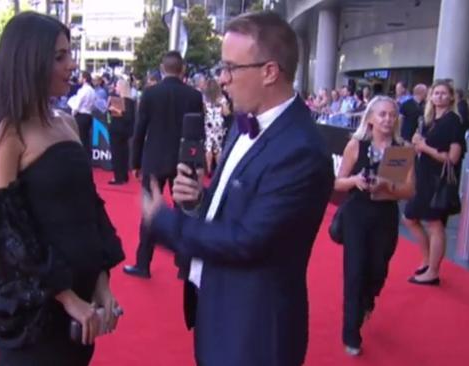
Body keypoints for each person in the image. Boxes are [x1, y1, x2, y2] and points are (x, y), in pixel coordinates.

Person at [141, 11, 334, 365]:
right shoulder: (243, 122)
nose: (223, 79)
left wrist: (163, 221)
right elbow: (239, 204)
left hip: (253, 330)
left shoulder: (302, 151)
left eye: (231, 68)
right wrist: (201, 201)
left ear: (269, 71)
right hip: (215, 303)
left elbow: (249, 240)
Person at [0, 12, 124, 365]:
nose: (71, 65)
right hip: (39, 318)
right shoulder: (6, 133)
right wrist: (67, 298)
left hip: (84, 311)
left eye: (69, 54)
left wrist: (101, 283)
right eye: (60, 57)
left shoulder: (68, 122)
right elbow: (5, 235)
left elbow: (90, 209)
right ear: (30, 60)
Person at [334, 96, 415, 356]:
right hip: (357, 213)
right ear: (370, 118)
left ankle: (368, 300)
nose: (387, 119)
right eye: (382, 114)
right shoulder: (357, 145)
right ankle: (351, 332)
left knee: (377, 269)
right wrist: (355, 181)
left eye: (392, 115)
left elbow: (407, 191)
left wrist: (385, 185)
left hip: (384, 215)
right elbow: (336, 183)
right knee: (354, 271)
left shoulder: (399, 149)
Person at [123, 51, 204, 279]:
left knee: (151, 211)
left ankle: (143, 263)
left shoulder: (150, 94)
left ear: (162, 68)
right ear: (182, 69)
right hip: (184, 161)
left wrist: (135, 162)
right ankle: (185, 266)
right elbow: (198, 135)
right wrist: (198, 165)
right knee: (186, 212)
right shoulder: (194, 96)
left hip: (154, 159)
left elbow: (139, 131)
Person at [404, 80, 466, 285]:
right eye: (435, 93)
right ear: (430, 96)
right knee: (410, 217)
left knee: (434, 223)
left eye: (443, 93)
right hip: (423, 177)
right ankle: (427, 259)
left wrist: (425, 147)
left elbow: (453, 157)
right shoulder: (430, 120)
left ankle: (433, 271)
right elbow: (420, 146)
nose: (438, 96)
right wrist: (417, 143)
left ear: (450, 97)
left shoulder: (453, 121)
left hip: (438, 181)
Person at [108, 78, 135, 185]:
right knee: (123, 153)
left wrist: (117, 110)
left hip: (118, 130)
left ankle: (118, 177)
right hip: (122, 131)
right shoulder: (129, 101)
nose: (115, 88)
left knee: (117, 153)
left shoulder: (125, 101)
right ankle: (123, 176)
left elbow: (127, 117)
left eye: (117, 86)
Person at [202, 78, 229, 176]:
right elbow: (226, 113)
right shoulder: (221, 98)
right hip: (218, 124)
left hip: (208, 124)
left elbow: (203, 111)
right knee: (218, 148)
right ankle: (218, 170)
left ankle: (208, 170)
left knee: (208, 147)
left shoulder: (204, 98)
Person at [69, 71, 96, 158]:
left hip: (81, 116)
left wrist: (72, 114)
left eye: (80, 77)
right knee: (86, 139)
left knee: (80, 139)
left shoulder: (83, 90)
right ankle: (87, 158)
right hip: (89, 116)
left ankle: (81, 158)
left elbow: (77, 105)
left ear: (84, 79)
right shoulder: (92, 90)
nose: (79, 79)